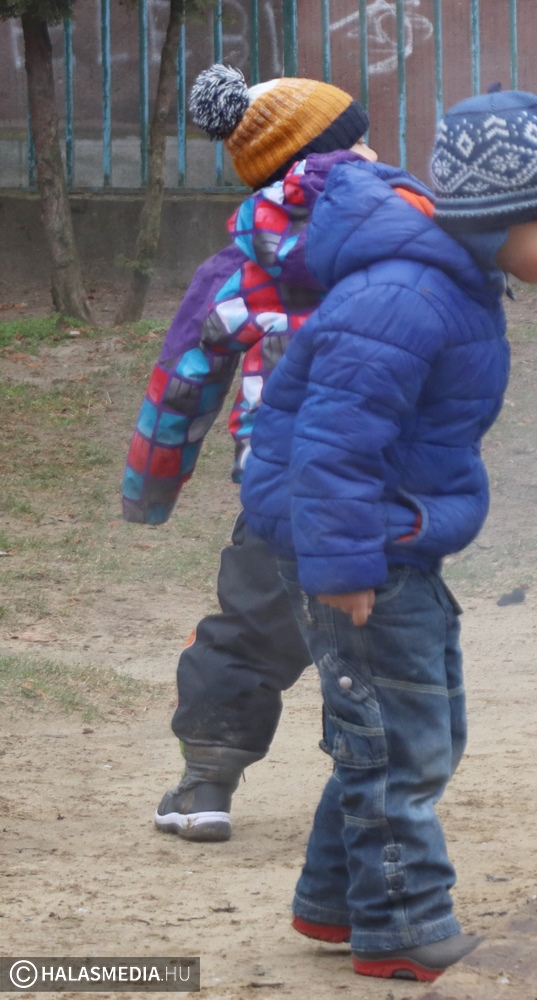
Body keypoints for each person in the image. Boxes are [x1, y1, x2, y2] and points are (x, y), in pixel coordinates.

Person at [238, 89, 537, 981]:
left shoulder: (453, 282)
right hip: (357, 549)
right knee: (399, 740)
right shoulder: (403, 297)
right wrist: (343, 566)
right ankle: (401, 924)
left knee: (403, 726)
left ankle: (335, 900)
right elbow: (332, 444)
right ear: (495, 219)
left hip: (394, 538)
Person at [126, 64, 382, 842]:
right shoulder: (406, 236)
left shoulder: (239, 270)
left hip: (286, 488)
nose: (372, 151)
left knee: (250, 631)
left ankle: (206, 780)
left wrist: (151, 490)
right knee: (385, 637)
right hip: (387, 484)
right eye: (359, 140)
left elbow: (181, 387)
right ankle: (377, 795)